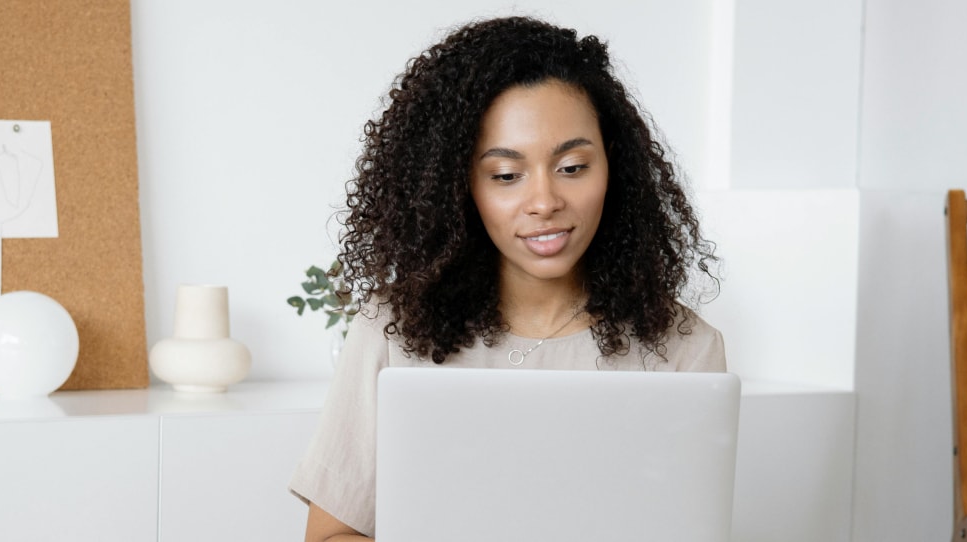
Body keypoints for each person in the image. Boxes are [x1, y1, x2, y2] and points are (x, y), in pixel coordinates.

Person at [289, 16, 727, 542]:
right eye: (505, 175)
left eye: (573, 167)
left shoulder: (684, 350)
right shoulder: (392, 330)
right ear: (460, 186)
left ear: (616, 168)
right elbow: (329, 536)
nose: (544, 202)